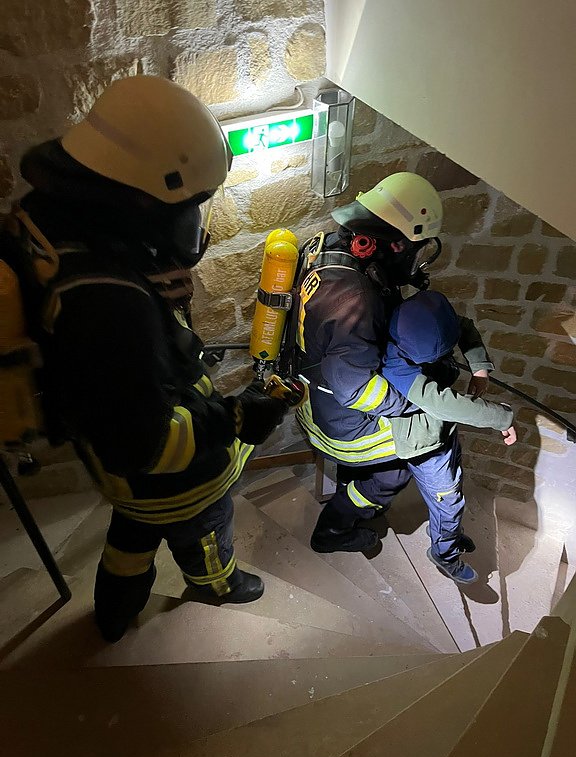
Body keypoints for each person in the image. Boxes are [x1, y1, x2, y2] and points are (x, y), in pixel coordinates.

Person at [11, 75, 288, 642]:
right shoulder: (110, 307)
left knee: (130, 540)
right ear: (145, 200)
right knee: (205, 532)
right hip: (173, 483)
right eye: (191, 204)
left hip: (121, 482)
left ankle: (115, 613)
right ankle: (216, 585)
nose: (194, 220)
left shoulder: (51, 219)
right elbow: (147, 446)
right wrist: (238, 416)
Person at [293, 172, 448, 554]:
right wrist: (416, 401)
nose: (417, 260)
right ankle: (334, 528)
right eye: (416, 249)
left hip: (311, 397)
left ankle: (353, 482)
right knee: (406, 459)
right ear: (396, 244)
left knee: (386, 450)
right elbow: (356, 389)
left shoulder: (325, 246)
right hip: (338, 422)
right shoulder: (356, 300)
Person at [382, 289, 517, 583]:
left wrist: (479, 367)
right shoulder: (395, 364)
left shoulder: (422, 318)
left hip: (442, 431)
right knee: (449, 501)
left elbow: (462, 327)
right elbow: (442, 404)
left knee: (452, 485)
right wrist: (501, 417)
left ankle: (447, 532)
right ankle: (444, 554)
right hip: (424, 445)